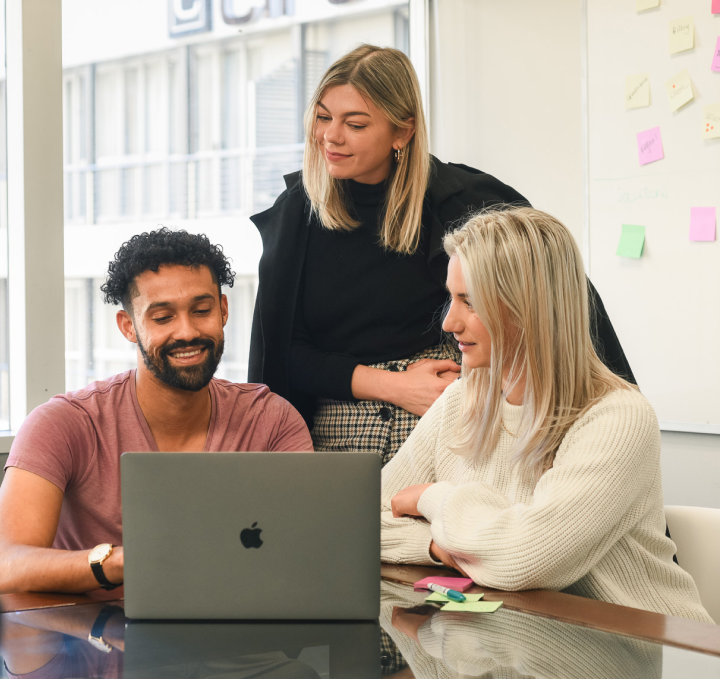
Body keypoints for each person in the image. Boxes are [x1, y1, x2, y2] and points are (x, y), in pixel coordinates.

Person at [249, 44, 633, 466]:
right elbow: (281, 354)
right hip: (339, 434)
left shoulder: (468, 203)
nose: (331, 136)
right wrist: (391, 385)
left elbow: (553, 307)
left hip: (457, 420)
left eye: (354, 124)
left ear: (402, 132)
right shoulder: (295, 218)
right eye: (323, 117)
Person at [381, 208, 711, 623]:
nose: (449, 321)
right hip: (528, 638)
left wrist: (433, 499)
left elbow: (529, 560)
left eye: (470, 302)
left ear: (529, 308)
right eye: (451, 297)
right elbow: (357, 520)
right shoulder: (461, 401)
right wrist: (435, 547)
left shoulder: (617, 418)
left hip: (645, 648)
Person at [0, 229, 312, 595]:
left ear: (223, 310)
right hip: (93, 640)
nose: (187, 332)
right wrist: (120, 562)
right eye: (162, 318)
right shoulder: (63, 423)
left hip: (238, 639)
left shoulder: (271, 419)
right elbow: (8, 563)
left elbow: (306, 553)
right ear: (128, 326)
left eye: (202, 310)